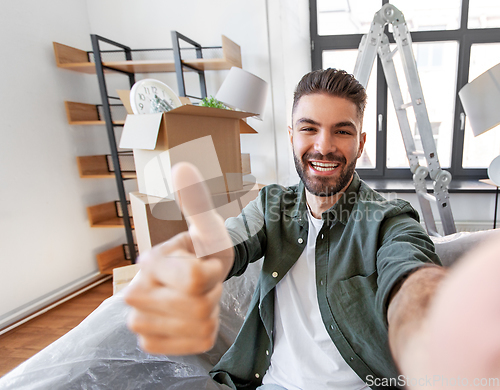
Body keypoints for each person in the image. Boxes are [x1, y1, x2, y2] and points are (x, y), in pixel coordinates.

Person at [123, 68, 496, 389]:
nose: (324, 146)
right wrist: (198, 261)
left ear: (361, 143)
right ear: (291, 135)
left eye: (342, 132)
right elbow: (227, 244)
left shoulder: (389, 218)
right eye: (309, 128)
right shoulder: (272, 207)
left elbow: (411, 277)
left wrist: (431, 338)